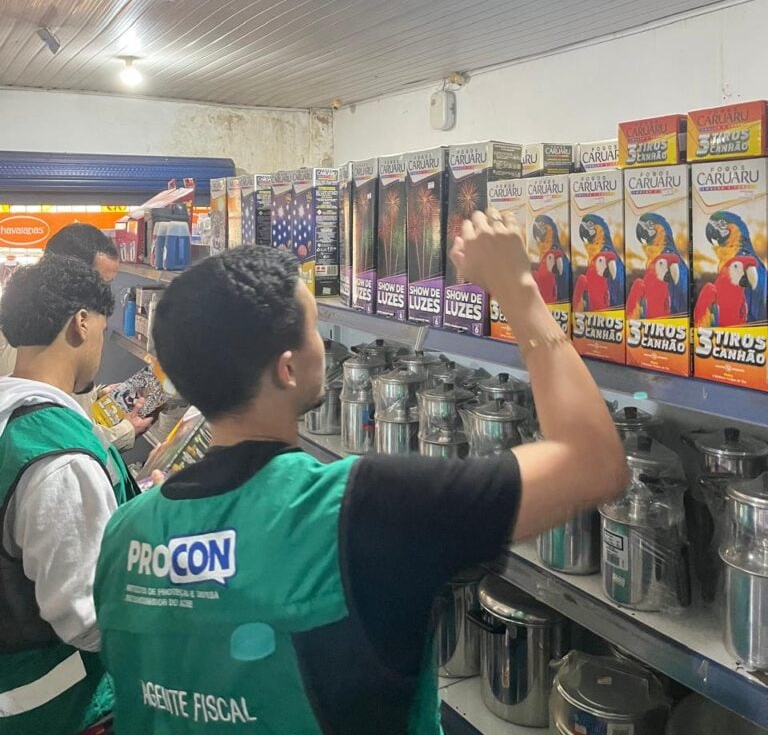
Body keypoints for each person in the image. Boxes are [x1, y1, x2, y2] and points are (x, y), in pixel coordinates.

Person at [94, 211, 629, 735]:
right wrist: (517, 289)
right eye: (313, 329)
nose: (323, 344)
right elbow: (592, 463)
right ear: (288, 368)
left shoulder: (126, 533)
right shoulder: (360, 510)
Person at [0, 255, 138, 735]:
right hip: (60, 707)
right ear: (81, 322)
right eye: (102, 327)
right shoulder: (59, 459)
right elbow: (86, 618)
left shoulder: (12, 416)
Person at [0, 223, 154, 449]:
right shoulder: (29, 339)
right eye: (99, 283)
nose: (102, 295)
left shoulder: (39, 325)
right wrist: (124, 432)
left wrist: (95, 398)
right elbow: (51, 437)